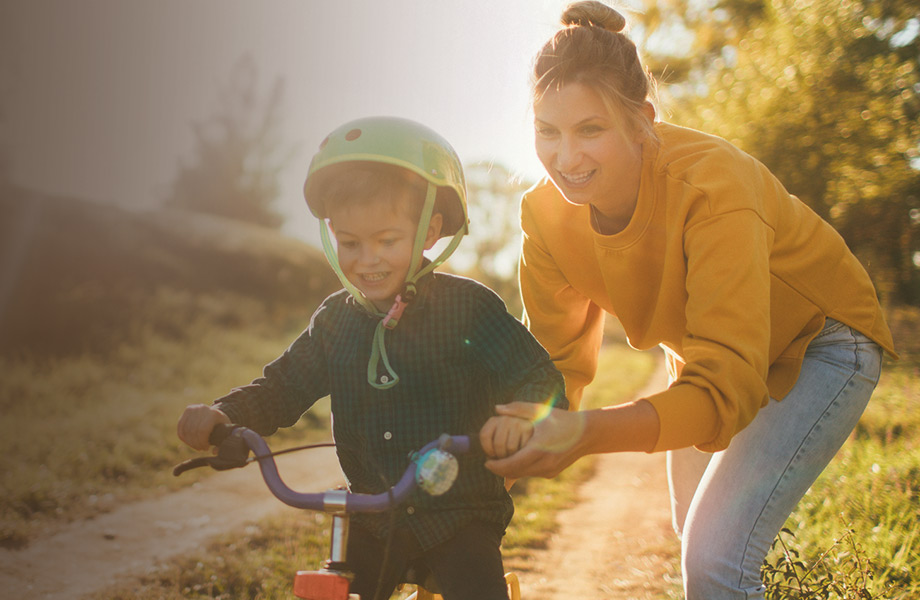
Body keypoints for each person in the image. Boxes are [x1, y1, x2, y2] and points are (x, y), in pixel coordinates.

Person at [488, 2, 898, 598]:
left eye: (591, 130)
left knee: (715, 561)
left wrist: (584, 433)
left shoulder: (713, 187)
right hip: (709, 355)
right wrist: (485, 471)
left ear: (641, 121)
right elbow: (552, 370)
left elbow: (725, 390)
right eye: (547, 131)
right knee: (695, 540)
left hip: (822, 342)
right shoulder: (544, 218)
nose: (566, 159)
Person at [177, 116, 567, 600]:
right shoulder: (335, 322)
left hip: (459, 511)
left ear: (430, 231)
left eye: (387, 240)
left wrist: (525, 415)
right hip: (371, 513)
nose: (367, 260)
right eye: (350, 243)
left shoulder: (468, 308)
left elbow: (536, 374)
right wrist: (226, 414)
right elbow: (284, 385)